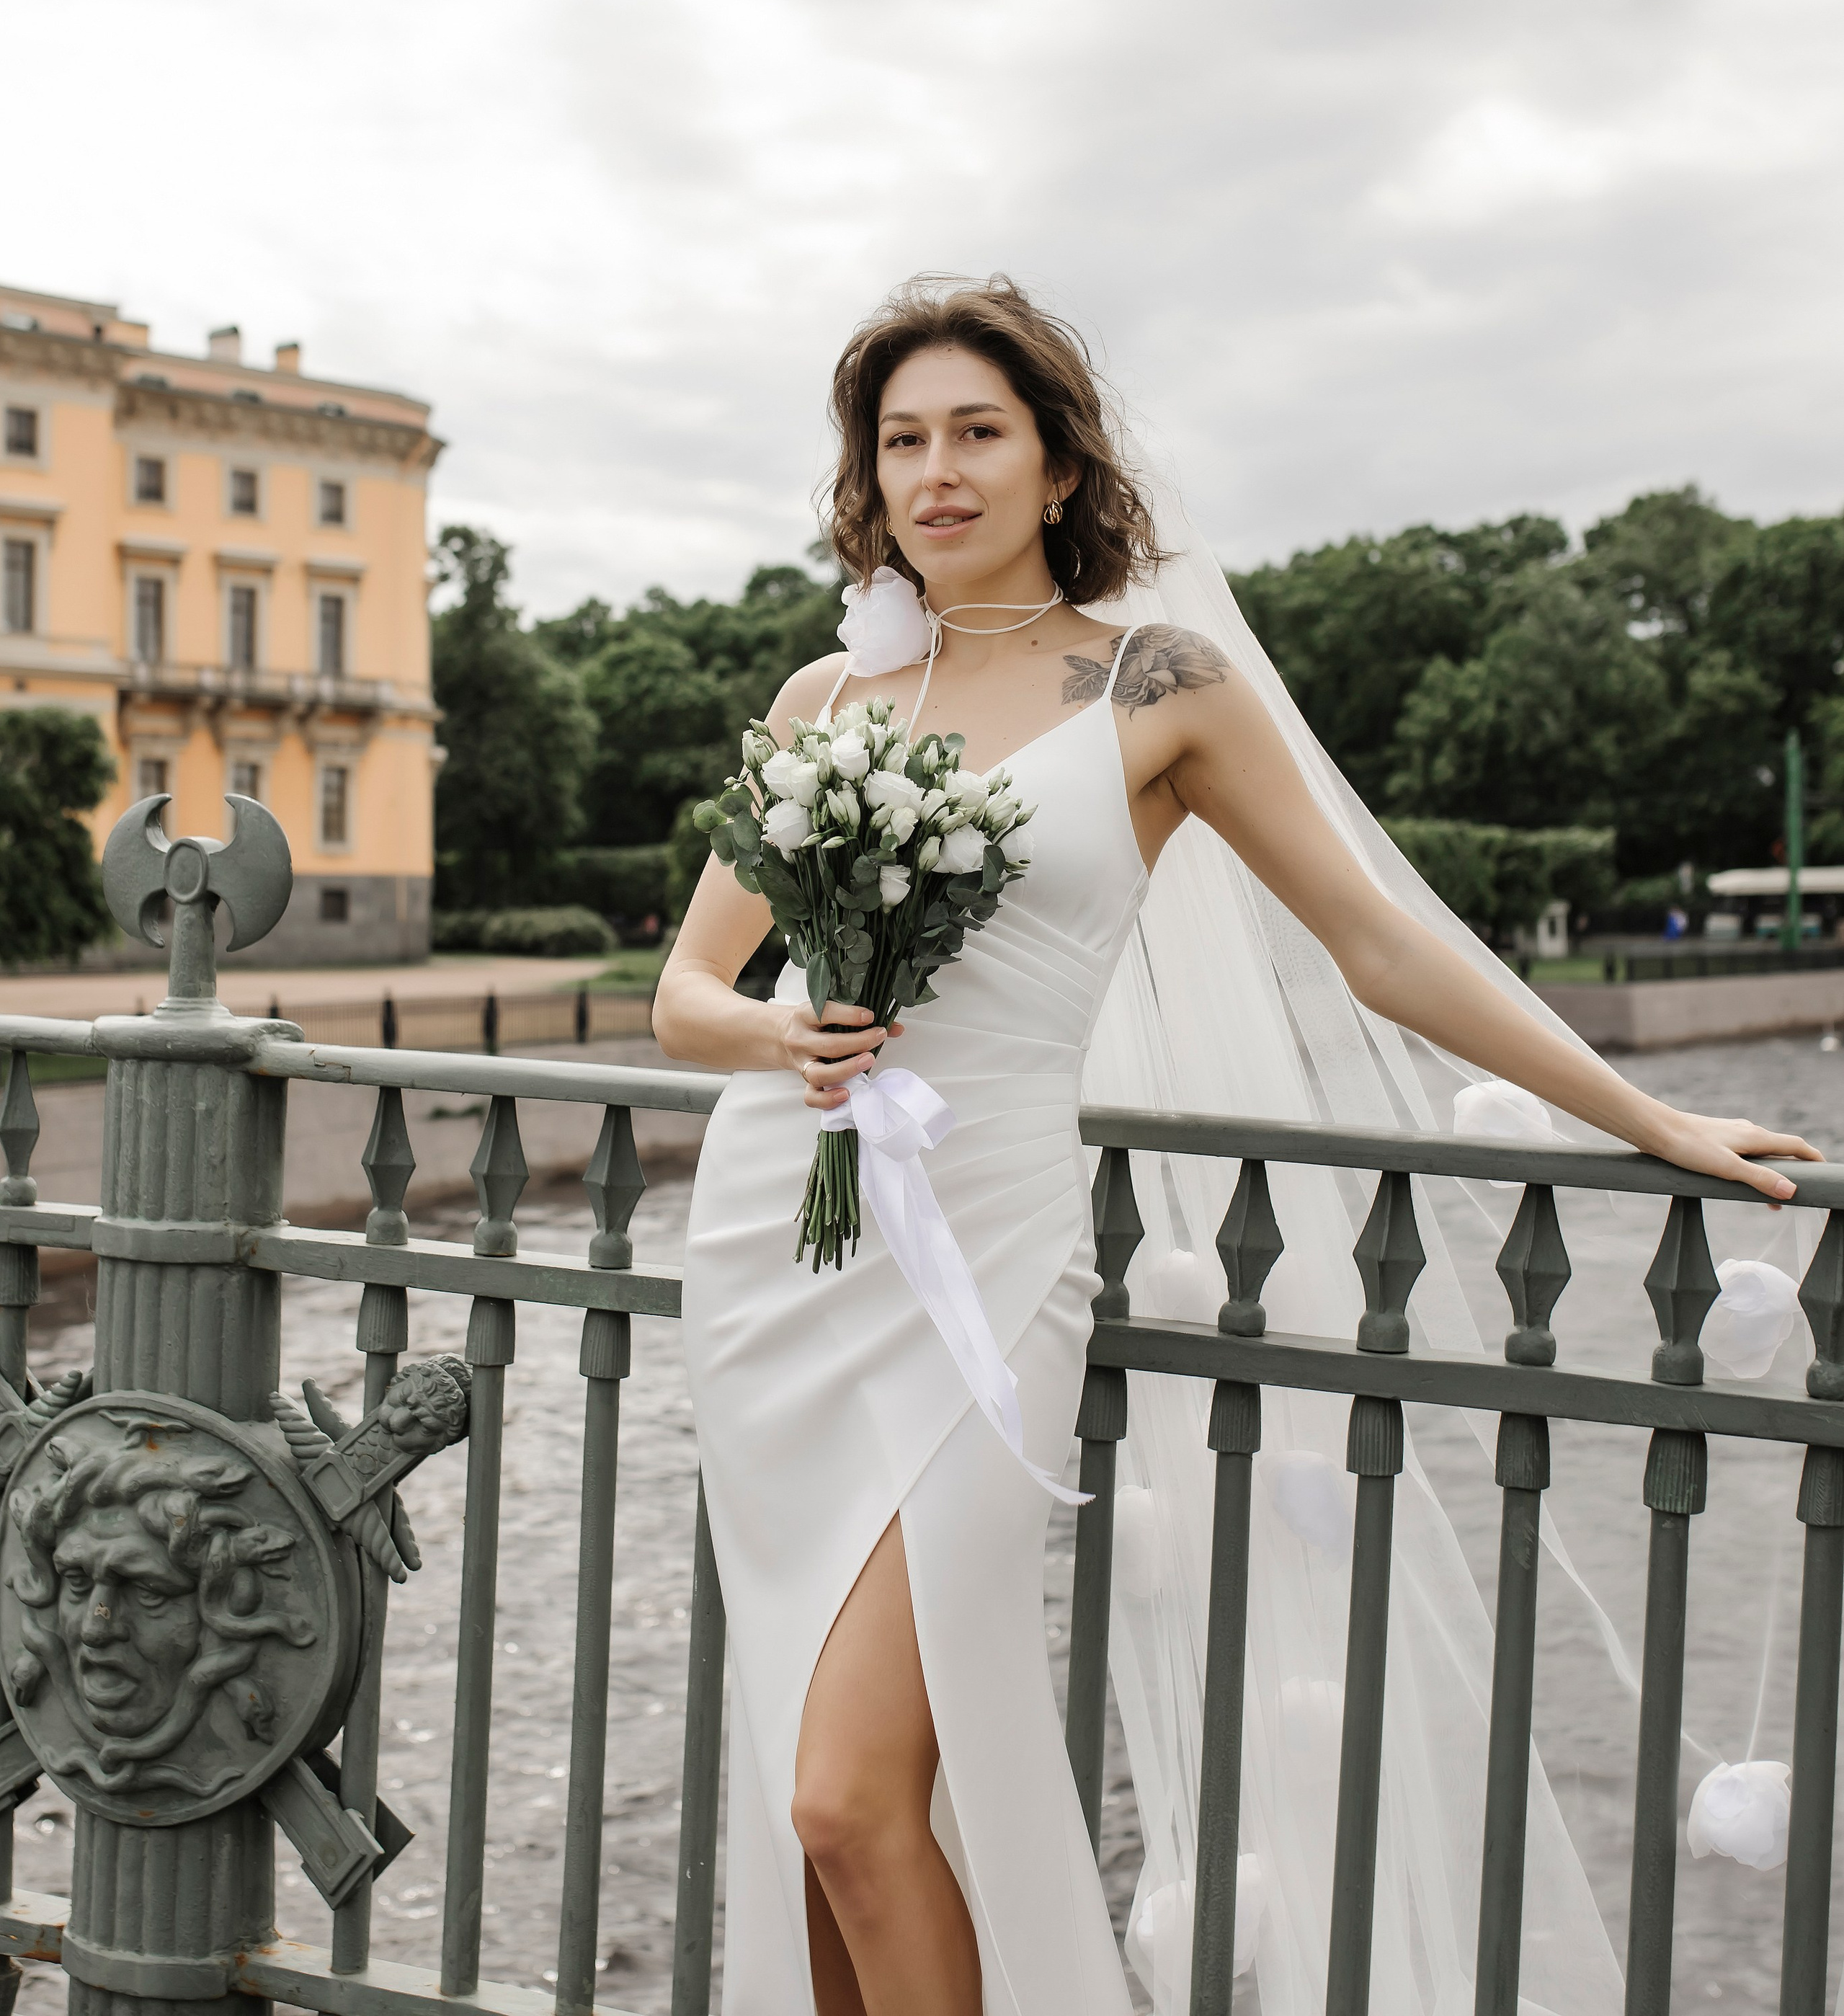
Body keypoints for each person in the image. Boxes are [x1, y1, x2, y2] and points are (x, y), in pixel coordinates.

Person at [653, 275, 1817, 2016]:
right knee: (810, 1805)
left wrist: (1638, 1116)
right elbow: (687, 991)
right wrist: (778, 1033)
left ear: (1057, 464)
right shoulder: (828, 694)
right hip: (780, 1245)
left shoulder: (1156, 682)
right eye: (902, 440)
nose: (936, 472)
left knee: (847, 1792)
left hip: (986, 1250)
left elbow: (1378, 944)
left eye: (978, 431)